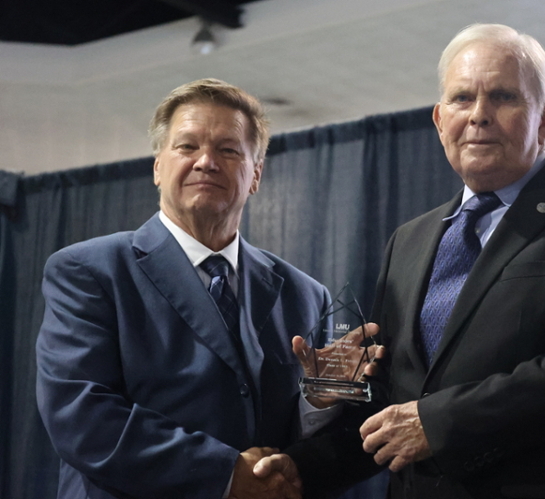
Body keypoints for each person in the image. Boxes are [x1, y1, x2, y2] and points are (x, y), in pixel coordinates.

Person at [354, 24, 545, 499]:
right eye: (461, 99)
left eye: (503, 97)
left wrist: (439, 423)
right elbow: (392, 394)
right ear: (440, 120)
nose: (479, 116)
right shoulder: (408, 239)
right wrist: (302, 450)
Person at [36, 78, 378, 499]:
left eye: (228, 150)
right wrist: (228, 474)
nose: (206, 162)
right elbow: (82, 418)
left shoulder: (305, 295)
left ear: (255, 174)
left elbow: (299, 435)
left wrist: (318, 406)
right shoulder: (88, 271)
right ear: (158, 167)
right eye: (187, 146)